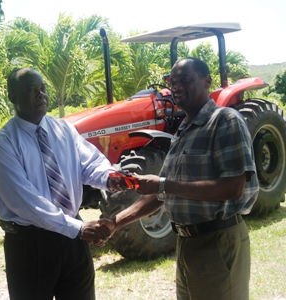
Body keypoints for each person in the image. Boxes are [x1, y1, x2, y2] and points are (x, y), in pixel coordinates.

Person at [102, 58, 259, 300]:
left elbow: (233, 187)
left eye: (185, 80)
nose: (176, 87)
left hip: (216, 241)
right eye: (172, 81)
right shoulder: (183, 130)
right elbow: (161, 193)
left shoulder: (224, 121)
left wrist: (163, 184)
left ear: (207, 81)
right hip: (186, 244)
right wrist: (115, 221)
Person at [0, 68, 125, 300]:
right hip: (31, 244)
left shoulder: (63, 129)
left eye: (43, 89)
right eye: (32, 90)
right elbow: (27, 203)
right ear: (12, 96)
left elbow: (89, 163)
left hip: (73, 238)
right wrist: (79, 229)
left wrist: (110, 178)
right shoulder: (3, 144)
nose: (41, 95)